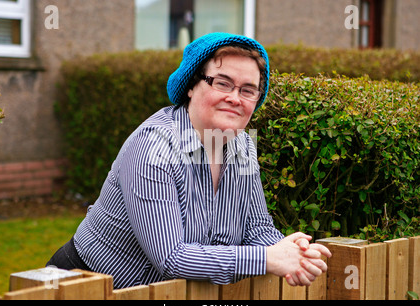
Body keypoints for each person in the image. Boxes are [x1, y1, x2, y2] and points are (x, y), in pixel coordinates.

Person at [47, 32, 331, 288]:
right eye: (223, 83)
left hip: (166, 295)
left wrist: (292, 254)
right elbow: (171, 257)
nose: (235, 98)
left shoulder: (242, 144)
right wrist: (267, 258)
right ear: (192, 86)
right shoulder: (154, 146)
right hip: (86, 286)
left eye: (248, 90)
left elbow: (255, 227)